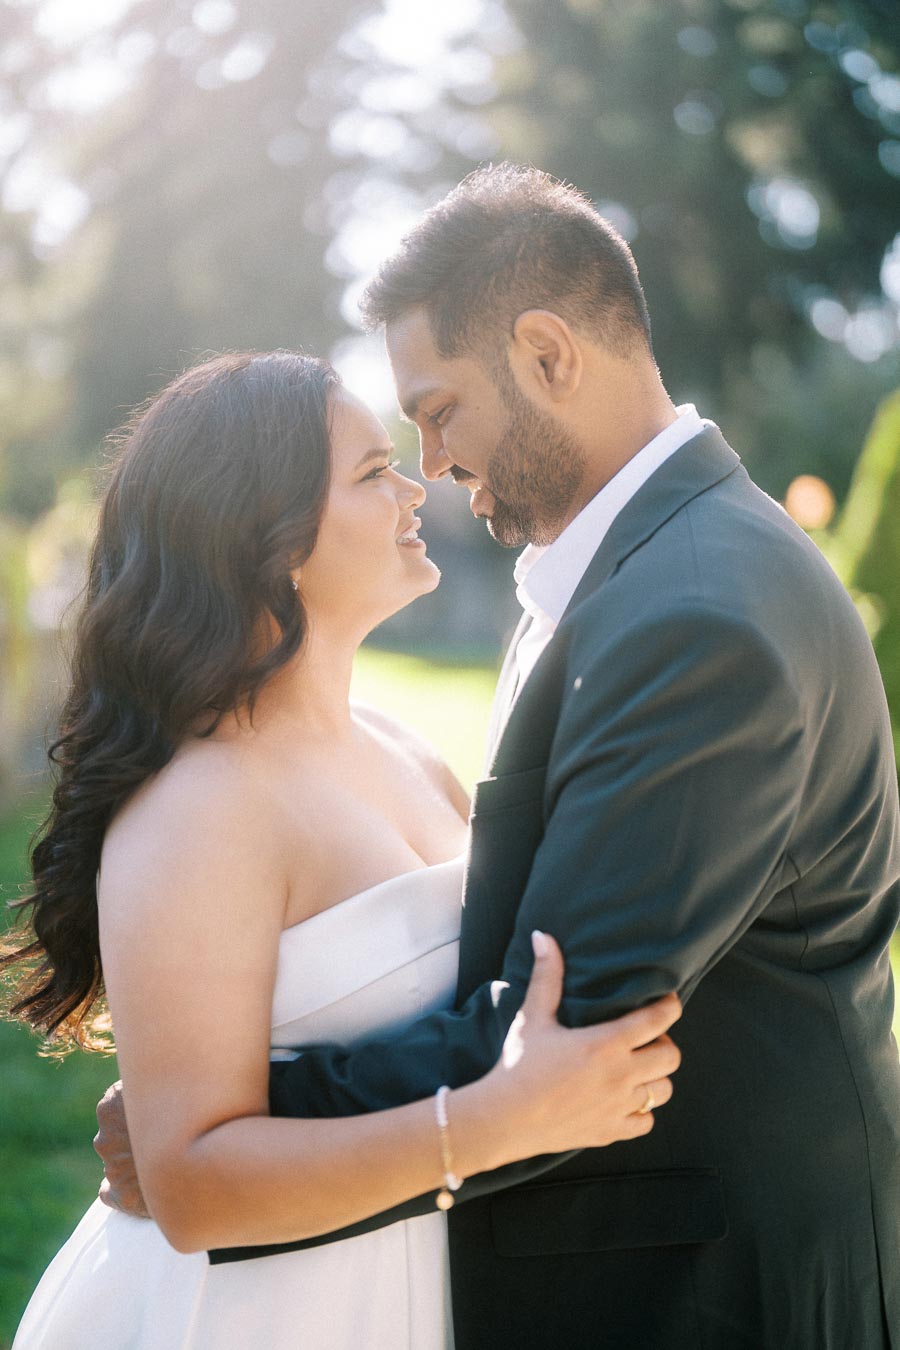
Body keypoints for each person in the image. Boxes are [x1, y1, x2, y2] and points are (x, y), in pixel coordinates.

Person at [97, 165, 900, 1348]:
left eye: (435, 410)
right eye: (389, 452)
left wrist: (230, 1125)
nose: (433, 461)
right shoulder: (626, 574)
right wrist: (202, 1137)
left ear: (547, 354)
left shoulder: (693, 611)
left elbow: (574, 1033)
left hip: (717, 1292)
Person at [2, 350, 684, 1350]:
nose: (416, 486)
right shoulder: (200, 804)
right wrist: (502, 1121)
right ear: (266, 538)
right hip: (247, 1314)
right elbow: (188, 1185)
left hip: (409, 1280)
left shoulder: (405, 750)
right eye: (372, 472)